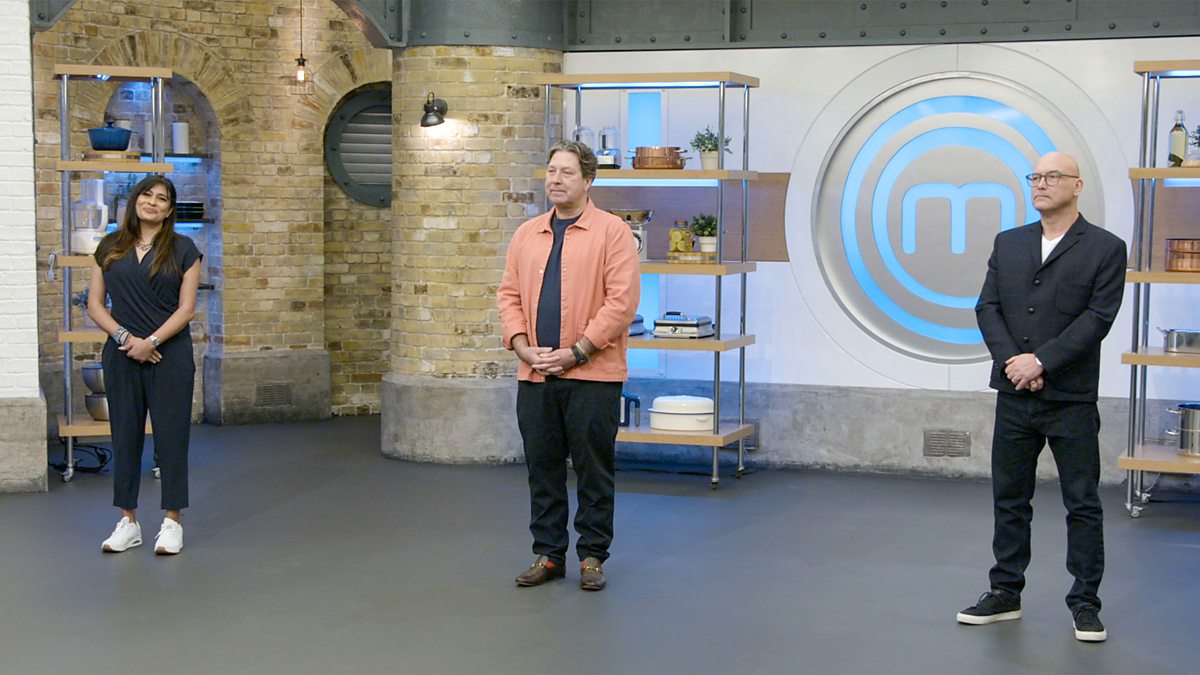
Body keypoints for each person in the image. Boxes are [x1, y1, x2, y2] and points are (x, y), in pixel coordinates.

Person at [960, 151, 1126, 642]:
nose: (1041, 183)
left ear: (1077, 186)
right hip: (1014, 394)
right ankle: (1005, 592)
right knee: (1010, 498)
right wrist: (1016, 362)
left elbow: (1097, 319)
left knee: (1083, 503)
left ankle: (1085, 603)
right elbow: (987, 307)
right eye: (1036, 176)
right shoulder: (1009, 243)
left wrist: (1042, 362)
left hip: (1071, 399)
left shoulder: (1105, 248)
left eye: (1054, 176)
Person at [497, 140, 640, 591]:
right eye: (551, 171)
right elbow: (508, 296)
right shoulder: (527, 234)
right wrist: (522, 347)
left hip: (593, 376)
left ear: (588, 181)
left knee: (594, 470)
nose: (556, 180)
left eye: (567, 173)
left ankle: (592, 556)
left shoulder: (613, 233)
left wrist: (576, 351)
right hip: (535, 373)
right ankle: (548, 555)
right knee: (542, 468)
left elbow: (621, 304)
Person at [88, 175, 202, 555]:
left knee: (171, 437)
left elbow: (187, 309)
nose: (152, 202)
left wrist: (151, 342)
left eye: (162, 198)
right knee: (124, 437)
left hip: (170, 355)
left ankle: (172, 522)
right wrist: (127, 340)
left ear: (169, 210)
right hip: (122, 355)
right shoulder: (109, 247)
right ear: (135, 200)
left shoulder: (185, 249)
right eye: (146, 195)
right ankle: (128, 522)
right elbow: (95, 305)